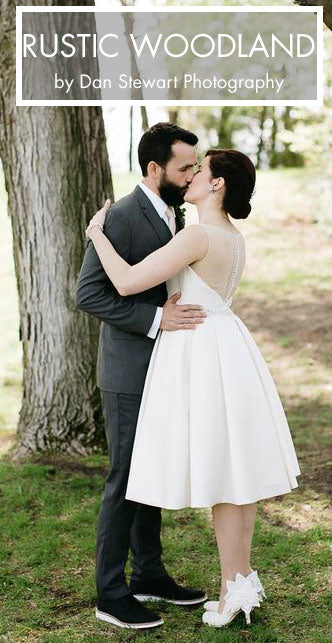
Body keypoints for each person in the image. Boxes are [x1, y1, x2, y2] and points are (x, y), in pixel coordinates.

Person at [85, 146, 301, 629]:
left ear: (217, 184)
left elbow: (123, 282)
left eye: (200, 171)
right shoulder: (232, 236)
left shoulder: (198, 235)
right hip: (229, 349)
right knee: (237, 474)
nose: (193, 177)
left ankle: (231, 592)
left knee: (225, 477)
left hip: (201, 354)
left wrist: (97, 235)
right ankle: (240, 581)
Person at [76, 123, 208, 631]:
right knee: (125, 480)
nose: (193, 173)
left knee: (151, 474)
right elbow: (88, 294)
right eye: (185, 167)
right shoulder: (125, 216)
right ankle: (111, 593)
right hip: (129, 371)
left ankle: (149, 575)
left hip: (164, 370)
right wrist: (157, 320)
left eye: (195, 165)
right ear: (156, 170)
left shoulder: (175, 213)